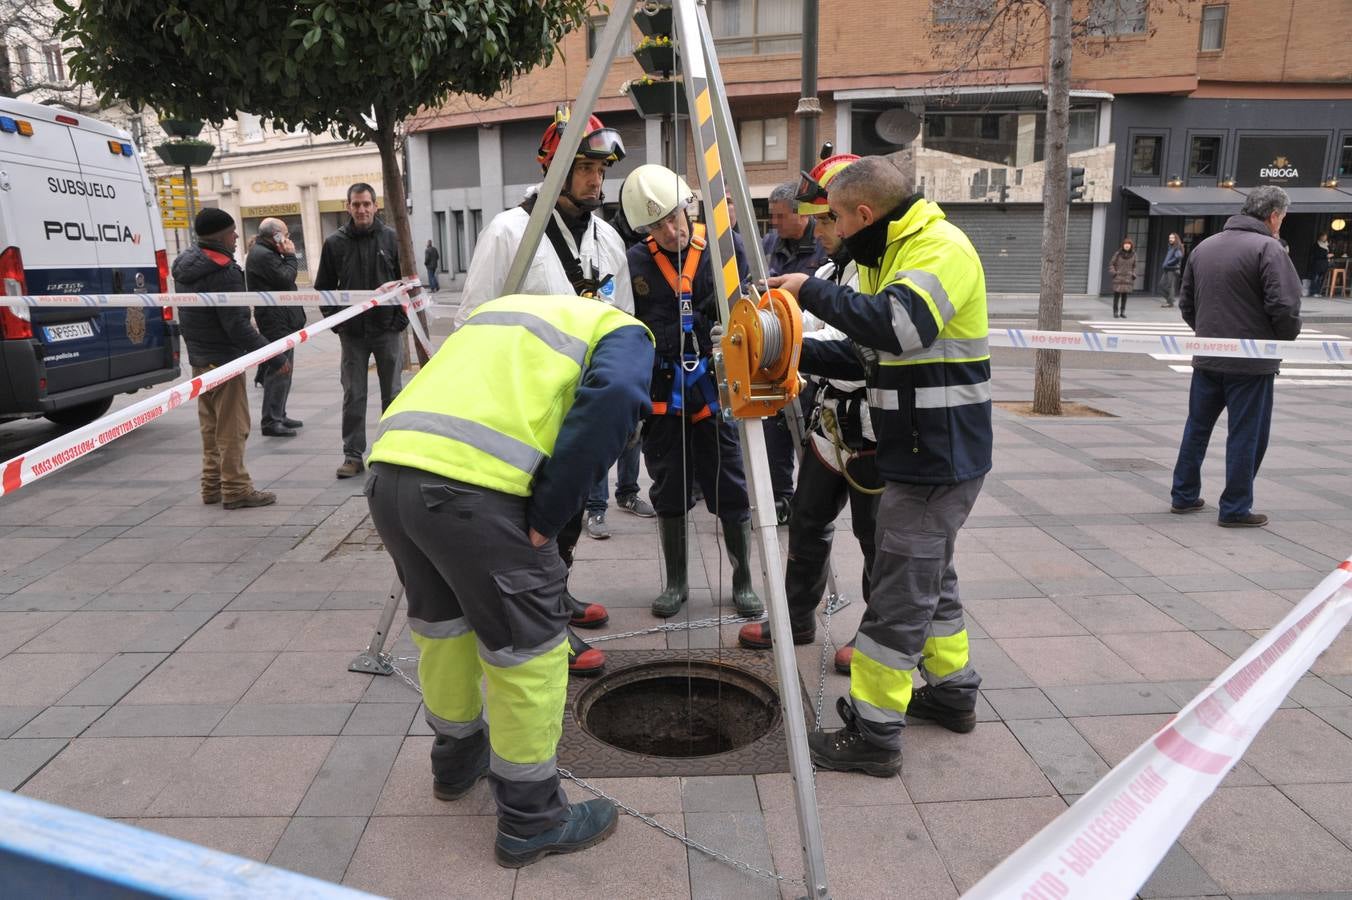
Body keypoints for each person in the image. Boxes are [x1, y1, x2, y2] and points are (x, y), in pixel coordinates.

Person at [365, 293, 653, 867]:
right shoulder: (627, 331)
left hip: (391, 473)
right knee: (530, 651)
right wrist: (549, 516)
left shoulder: (512, 311)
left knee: (442, 628)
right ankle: (532, 819)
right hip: (474, 493)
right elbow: (619, 396)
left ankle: (457, 761)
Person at [769, 155, 991, 777]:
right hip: (928, 450)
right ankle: (952, 691)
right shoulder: (900, 250)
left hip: (935, 456)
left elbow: (898, 327)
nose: (829, 227)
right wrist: (789, 353)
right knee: (932, 580)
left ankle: (875, 731)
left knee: (897, 594)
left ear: (864, 214)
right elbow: (868, 356)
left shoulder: (938, 248)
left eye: (835, 217)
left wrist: (808, 290)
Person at [454, 109, 637, 670]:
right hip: (524, 405)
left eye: (601, 169)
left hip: (583, 403)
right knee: (532, 516)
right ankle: (544, 622)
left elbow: (621, 318)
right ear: (553, 169)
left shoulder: (607, 237)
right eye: (584, 168)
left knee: (573, 506)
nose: (595, 180)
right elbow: (472, 320)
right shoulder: (510, 232)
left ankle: (556, 594)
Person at [738, 155, 877, 676]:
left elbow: (847, 348)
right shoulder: (824, 272)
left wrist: (783, 350)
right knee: (809, 519)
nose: (821, 230)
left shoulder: (877, 276)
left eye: (826, 219)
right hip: (829, 425)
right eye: (818, 220)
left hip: (872, 433)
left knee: (875, 539)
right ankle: (797, 617)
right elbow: (813, 330)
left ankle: (874, 637)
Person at [620, 163, 763, 620]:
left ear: (688, 208)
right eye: (659, 224)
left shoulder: (724, 248)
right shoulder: (635, 261)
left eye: (676, 217)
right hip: (663, 390)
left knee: (730, 483)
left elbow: (749, 305)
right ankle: (676, 582)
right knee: (668, 483)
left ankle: (742, 580)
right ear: (646, 227)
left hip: (711, 387)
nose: (672, 229)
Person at [1169, 186, 1302, 529]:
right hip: (1252, 362)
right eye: (1282, 218)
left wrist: (1208, 333)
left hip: (1208, 357)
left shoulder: (1205, 247)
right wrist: (1281, 340)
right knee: (1246, 434)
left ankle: (1183, 495)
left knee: (1196, 428)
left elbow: (1187, 304)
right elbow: (1284, 305)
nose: (1281, 224)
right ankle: (1235, 507)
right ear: (1273, 215)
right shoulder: (1269, 249)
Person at [173, 208, 287, 510]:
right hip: (224, 360)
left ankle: (211, 486)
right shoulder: (224, 271)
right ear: (220, 235)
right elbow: (237, 325)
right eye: (233, 231)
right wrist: (274, 356)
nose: (237, 237)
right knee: (233, 428)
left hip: (199, 358)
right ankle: (236, 488)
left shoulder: (185, 264)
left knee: (210, 427)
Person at [316, 183, 407, 480]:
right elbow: (324, 289)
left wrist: (400, 319)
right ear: (348, 207)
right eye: (356, 205)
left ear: (375, 205)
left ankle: (391, 452)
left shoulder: (392, 238)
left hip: (387, 330)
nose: (362, 209)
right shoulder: (335, 243)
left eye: (366, 204)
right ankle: (352, 455)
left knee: (393, 394)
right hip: (353, 333)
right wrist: (337, 321)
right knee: (353, 393)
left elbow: (407, 281)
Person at [761, 181, 829, 524]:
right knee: (774, 430)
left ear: (801, 215)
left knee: (805, 432)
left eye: (779, 216)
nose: (774, 223)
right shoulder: (771, 243)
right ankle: (780, 499)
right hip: (776, 349)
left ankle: (807, 501)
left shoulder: (823, 244)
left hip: (812, 354)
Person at [247, 218, 305, 437]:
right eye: (286, 235)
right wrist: (290, 256)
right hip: (275, 319)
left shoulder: (268, 252)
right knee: (279, 368)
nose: (288, 239)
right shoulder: (262, 255)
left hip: (282, 317)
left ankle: (279, 413)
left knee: (285, 369)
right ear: (276, 236)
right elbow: (285, 278)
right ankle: (271, 420)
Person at [1109, 237, 1137, 319]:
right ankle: (1115, 312)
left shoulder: (1134, 254)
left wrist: (1133, 274)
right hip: (1118, 277)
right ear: (1123, 245)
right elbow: (1111, 264)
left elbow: (1135, 266)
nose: (1127, 246)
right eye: (1125, 244)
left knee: (1125, 296)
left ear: (1131, 246)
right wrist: (1114, 273)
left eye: (1128, 244)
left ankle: (1122, 312)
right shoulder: (1118, 254)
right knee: (1116, 295)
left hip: (1128, 278)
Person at [1159, 232, 1183, 308]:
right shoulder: (1171, 247)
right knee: (1161, 285)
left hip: (1172, 269)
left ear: (1176, 239)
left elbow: (1178, 257)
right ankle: (1171, 299)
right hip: (1167, 269)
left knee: (1170, 286)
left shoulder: (1177, 247)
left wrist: (1168, 263)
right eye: (1170, 238)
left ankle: (1170, 302)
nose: (1170, 239)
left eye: (1172, 238)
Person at [1308, 232, 1332, 296]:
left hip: (1324, 264)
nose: (1325, 238)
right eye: (1323, 236)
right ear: (1320, 237)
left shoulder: (1327, 245)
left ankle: (1318, 292)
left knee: (1321, 279)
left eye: (1325, 237)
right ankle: (1313, 292)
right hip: (1317, 264)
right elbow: (1315, 255)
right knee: (1315, 278)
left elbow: (1330, 252)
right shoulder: (1316, 245)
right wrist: (1326, 256)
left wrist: (1331, 255)